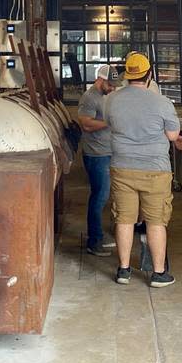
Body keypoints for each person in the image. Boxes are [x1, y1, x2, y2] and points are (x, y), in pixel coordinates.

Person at [105, 51, 182, 288]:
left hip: (122, 166)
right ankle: (159, 274)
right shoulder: (162, 103)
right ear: (149, 74)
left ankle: (123, 270)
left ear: (126, 75)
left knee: (124, 219)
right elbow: (173, 135)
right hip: (155, 169)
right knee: (155, 221)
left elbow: (111, 124)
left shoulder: (112, 100)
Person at [77, 63, 118, 256]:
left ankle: (98, 236)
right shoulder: (89, 97)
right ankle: (94, 241)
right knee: (99, 197)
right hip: (96, 154)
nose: (112, 88)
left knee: (102, 196)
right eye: (110, 84)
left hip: (106, 151)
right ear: (100, 79)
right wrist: (109, 122)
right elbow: (85, 124)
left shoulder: (105, 95)